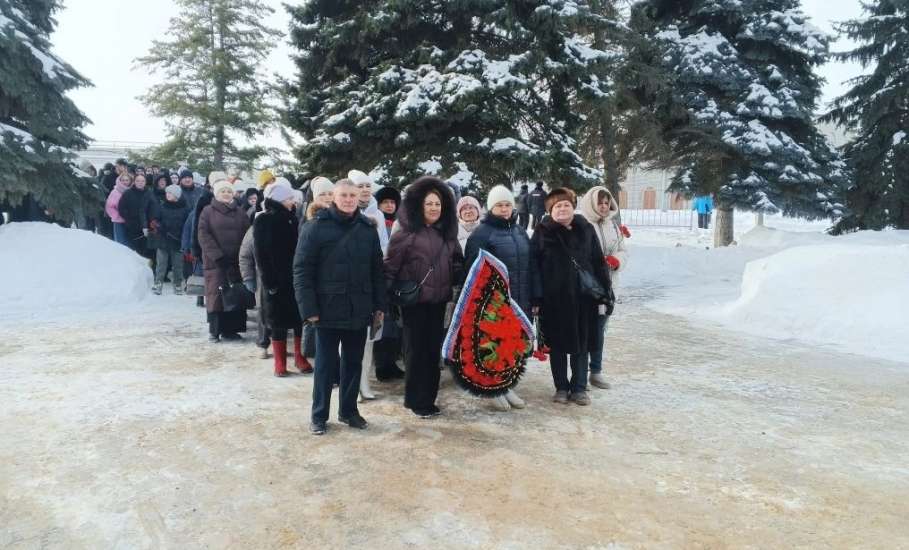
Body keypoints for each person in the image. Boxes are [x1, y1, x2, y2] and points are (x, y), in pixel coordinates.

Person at [294, 179, 386, 435]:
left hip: (359, 308)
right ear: (334, 197)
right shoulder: (315, 228)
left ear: (359, 198)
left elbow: (377, 269)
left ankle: (349, 411)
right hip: (326, 308)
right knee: (325, 365)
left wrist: (380, 305)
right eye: (343, 195)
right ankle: (319, 415)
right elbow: (301, 270)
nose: (348, 199)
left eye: (352, 196)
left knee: (353, 363)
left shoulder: (368, 229)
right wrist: (308, 309)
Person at [385, 176, 464, 418]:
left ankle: (428, 398)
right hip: (414, 302)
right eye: (429, 204)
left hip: (438, 301)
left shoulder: (447, 234)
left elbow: (457, 263)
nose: (433, 208)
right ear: (419, 205)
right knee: (415, 351)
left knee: (432, 351)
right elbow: (390, 267)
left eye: (438, 204)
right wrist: (385, 298)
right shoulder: (405, 233)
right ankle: (415, 400)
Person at [531, 187, 613, 406]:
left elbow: (598, 262)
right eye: (557, 206)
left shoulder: (585, 228)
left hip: (583, 299)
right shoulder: (542, 231)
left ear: (573, 207)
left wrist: (606, 291)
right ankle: (560, 387)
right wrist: (537, 298)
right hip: (554, 300)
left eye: (566, 204)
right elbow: (534, 267)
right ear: (550, 210)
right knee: (557, 347)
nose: (562, 209)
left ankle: (578, 388)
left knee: (582, 344)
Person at [464, 185, 532, 411]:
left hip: (520, 298)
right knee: (494, 345)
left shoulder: (520, 231)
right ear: (491, 207)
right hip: (494, 301)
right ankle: (493, 389)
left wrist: (535, 295)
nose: (504, 209)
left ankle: (507, 385)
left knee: (513, 345)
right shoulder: (482, 234)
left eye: (507, 205)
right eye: (499, 205)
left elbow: (531, 266)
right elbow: (473, 271)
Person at [254, 184, 308, 377]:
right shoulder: (263, 220)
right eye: (289, 199)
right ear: (278, 199)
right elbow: (260, 254)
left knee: (298, 319)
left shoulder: (293, 219)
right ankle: (280, 361)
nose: (293, 202)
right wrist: (269, 282)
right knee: (278, 322)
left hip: (295, 278)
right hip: (276, 280)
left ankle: (299, 357)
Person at [580, 186, 627, 390]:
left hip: (608, 288)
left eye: (607, 202)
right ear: (591, 203)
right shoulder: (581, 225)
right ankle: (580, 374)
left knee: (599, 330)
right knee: (584, 330)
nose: (604, 206)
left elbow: (623, 250)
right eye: (600, 202)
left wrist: (616, 260)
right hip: (587, 288)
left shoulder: (613, 226)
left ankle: (596, 371)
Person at [197, 173, 251, 342]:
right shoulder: (207, 211)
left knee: (235, 294)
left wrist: (242, 255)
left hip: (236, 261)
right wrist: (218, 256)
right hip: (216, 262)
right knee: (217, 296)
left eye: (229, 191)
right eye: (223, 191)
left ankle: (231, 330)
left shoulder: (240, 212)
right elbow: (203, 235)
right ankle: (215, 331)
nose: (226, 194)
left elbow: (247, 234)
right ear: (216, 194)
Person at [372, 185, 405, 381]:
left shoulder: (401, 223)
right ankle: (381, 365)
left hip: (399, 278)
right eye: (385, 202)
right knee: (383, 323)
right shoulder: (376, 222)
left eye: (393, 202)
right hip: (382, 277)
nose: (390, 205)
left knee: (395, 324)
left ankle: (391, 362)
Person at [150, 184, 190, 295]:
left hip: (178, 241)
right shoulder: (162, 206)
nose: (167, 195)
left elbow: (187, 224)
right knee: (161, 264)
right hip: (163, 240)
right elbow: (155, 220)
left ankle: (177, 284)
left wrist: (183, 237)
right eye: (167, 193)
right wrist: (157, 226)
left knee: (178, 264)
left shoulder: (185, 208)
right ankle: (158, 283)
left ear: (176, 195)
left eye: (170, 193)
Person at [118, 173, 155, 256]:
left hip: (147, 227)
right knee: (134, 252)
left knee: (147, 252)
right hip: (133, 227)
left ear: (145, 182)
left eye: (142, 181)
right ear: (134, 182)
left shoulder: (150, 193)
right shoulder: (128, 193)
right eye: (138, 181)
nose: (140, 183)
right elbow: (121, 208)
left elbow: (153, 208)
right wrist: (129, 220)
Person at [105, 173, 132, 246]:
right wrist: (117, 216)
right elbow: (109, 206)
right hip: (119, 221)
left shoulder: (132, 191)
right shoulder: (115, 192)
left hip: (130, 221)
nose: (125, 182)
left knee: (130, 243)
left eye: (127, 180)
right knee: (120, 242)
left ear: (130, 181)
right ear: (120, 181)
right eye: (123, 180)